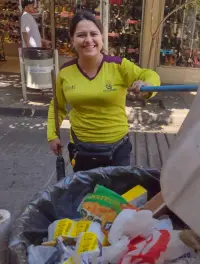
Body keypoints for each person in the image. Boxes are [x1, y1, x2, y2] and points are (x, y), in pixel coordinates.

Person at [47, 11, 161, 172]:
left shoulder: (119, 66)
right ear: (72, 40)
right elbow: (57, 106)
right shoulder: (66, 72)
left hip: (117, 151)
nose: (88, 40)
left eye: (94, 34)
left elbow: (150, 74)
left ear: (101, 38)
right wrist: (52, 135)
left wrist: (146, 84)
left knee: (115, 196)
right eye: (81, 35)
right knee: (87, 195)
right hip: (81, 150)